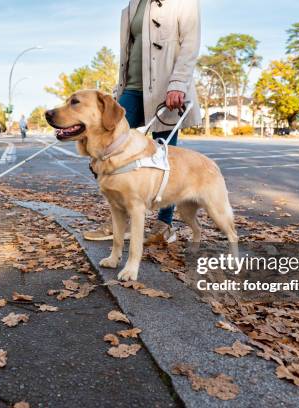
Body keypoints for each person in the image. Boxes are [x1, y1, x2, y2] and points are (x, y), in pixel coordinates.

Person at [84, 0, 202, 244]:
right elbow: (129, 53)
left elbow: (190, 45)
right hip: (133, 90)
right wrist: (120, 90)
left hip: (166, 89)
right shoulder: (133, 5)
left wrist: (178, 83)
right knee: (107, 147)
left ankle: (164, 225)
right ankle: (121, 220)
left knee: (164, 156)